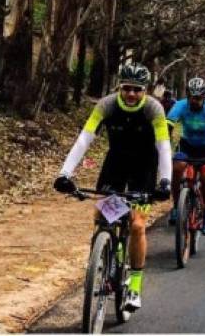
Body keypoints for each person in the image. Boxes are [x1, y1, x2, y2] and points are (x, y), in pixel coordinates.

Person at [53, 63, 172, 312]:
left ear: (145, 90)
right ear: (119, 87)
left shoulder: (154, 108)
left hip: (144, 167)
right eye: (126, 88)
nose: (131, 94)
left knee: (138, 224)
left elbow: (163, 145)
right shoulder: (106, 105)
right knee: (102, 216)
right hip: (116, 163)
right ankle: (109, 257)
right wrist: (64, 173)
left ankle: (135, 287)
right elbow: (84, 138)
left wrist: (165, 180)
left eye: (137, 90)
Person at [167, 78, 205, 235]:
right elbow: (169, 125)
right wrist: (164, 146)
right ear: (187, 96)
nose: (194, 101)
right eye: (191, 97)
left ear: (204, 97)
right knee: (177, 167)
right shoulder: (180, 105)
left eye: (198, 98)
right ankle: (176, 206)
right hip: (186, 146)